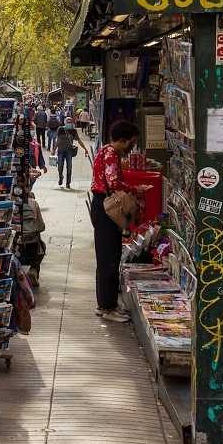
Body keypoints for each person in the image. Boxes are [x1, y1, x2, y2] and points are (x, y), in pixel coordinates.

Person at [90, 120, 148, 323]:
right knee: (109, 258)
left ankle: (106, 303)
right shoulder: (111, 155)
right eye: (131, 142)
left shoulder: (105, 150)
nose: (132, 146)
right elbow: (113, 182)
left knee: (107, 256)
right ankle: (107, 306)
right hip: (106, 208)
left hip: (101, 206)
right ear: (123, 140)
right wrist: (135, 189)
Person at [55, 116, 89, 189]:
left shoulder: (73, 131)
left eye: (70, 122)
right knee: (60, 166)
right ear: (65, 122)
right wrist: (53, 149)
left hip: (69, 151)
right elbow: (57, 140)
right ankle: (61, 177)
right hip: (60, 151)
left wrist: (85, 149)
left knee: (69, 167)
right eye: (68, 121)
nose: (69, 123)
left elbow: (79, 140)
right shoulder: (60, 129)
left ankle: (68, 183)